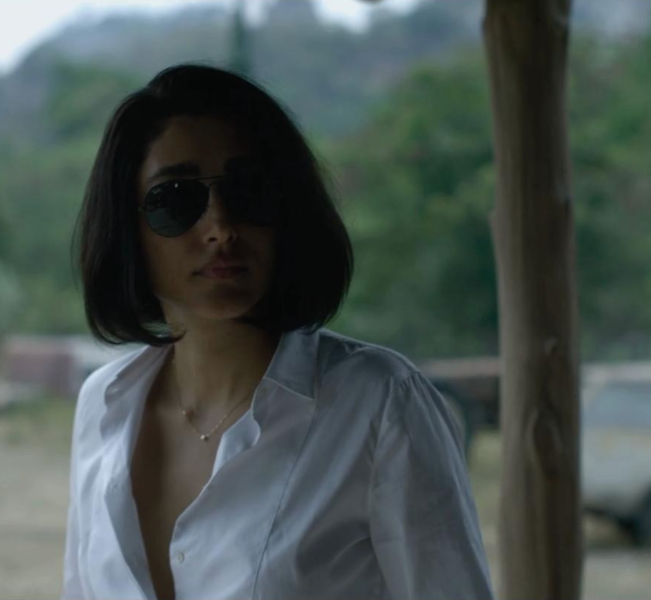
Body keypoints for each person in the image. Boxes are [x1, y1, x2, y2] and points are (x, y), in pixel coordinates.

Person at [64, 63, 493, 600]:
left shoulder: (380, 405)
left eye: (249, 189)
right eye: (174, 198)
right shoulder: (104, 404)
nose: (220, 227)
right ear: (126, 226)